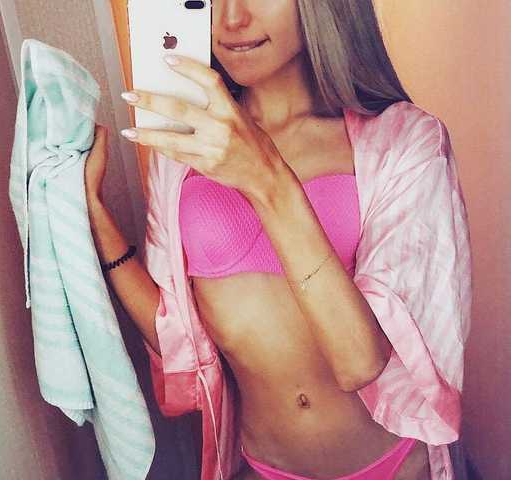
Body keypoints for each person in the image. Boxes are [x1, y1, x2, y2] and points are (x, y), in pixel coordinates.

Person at [84, 1, 472, 479]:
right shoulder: (184, 153)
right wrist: (95, 216)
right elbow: (178, 339)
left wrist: (266, 178)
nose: (231, 19)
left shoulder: (406, 142)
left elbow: (360, 361)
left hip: (394, 463)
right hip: (262, 466)